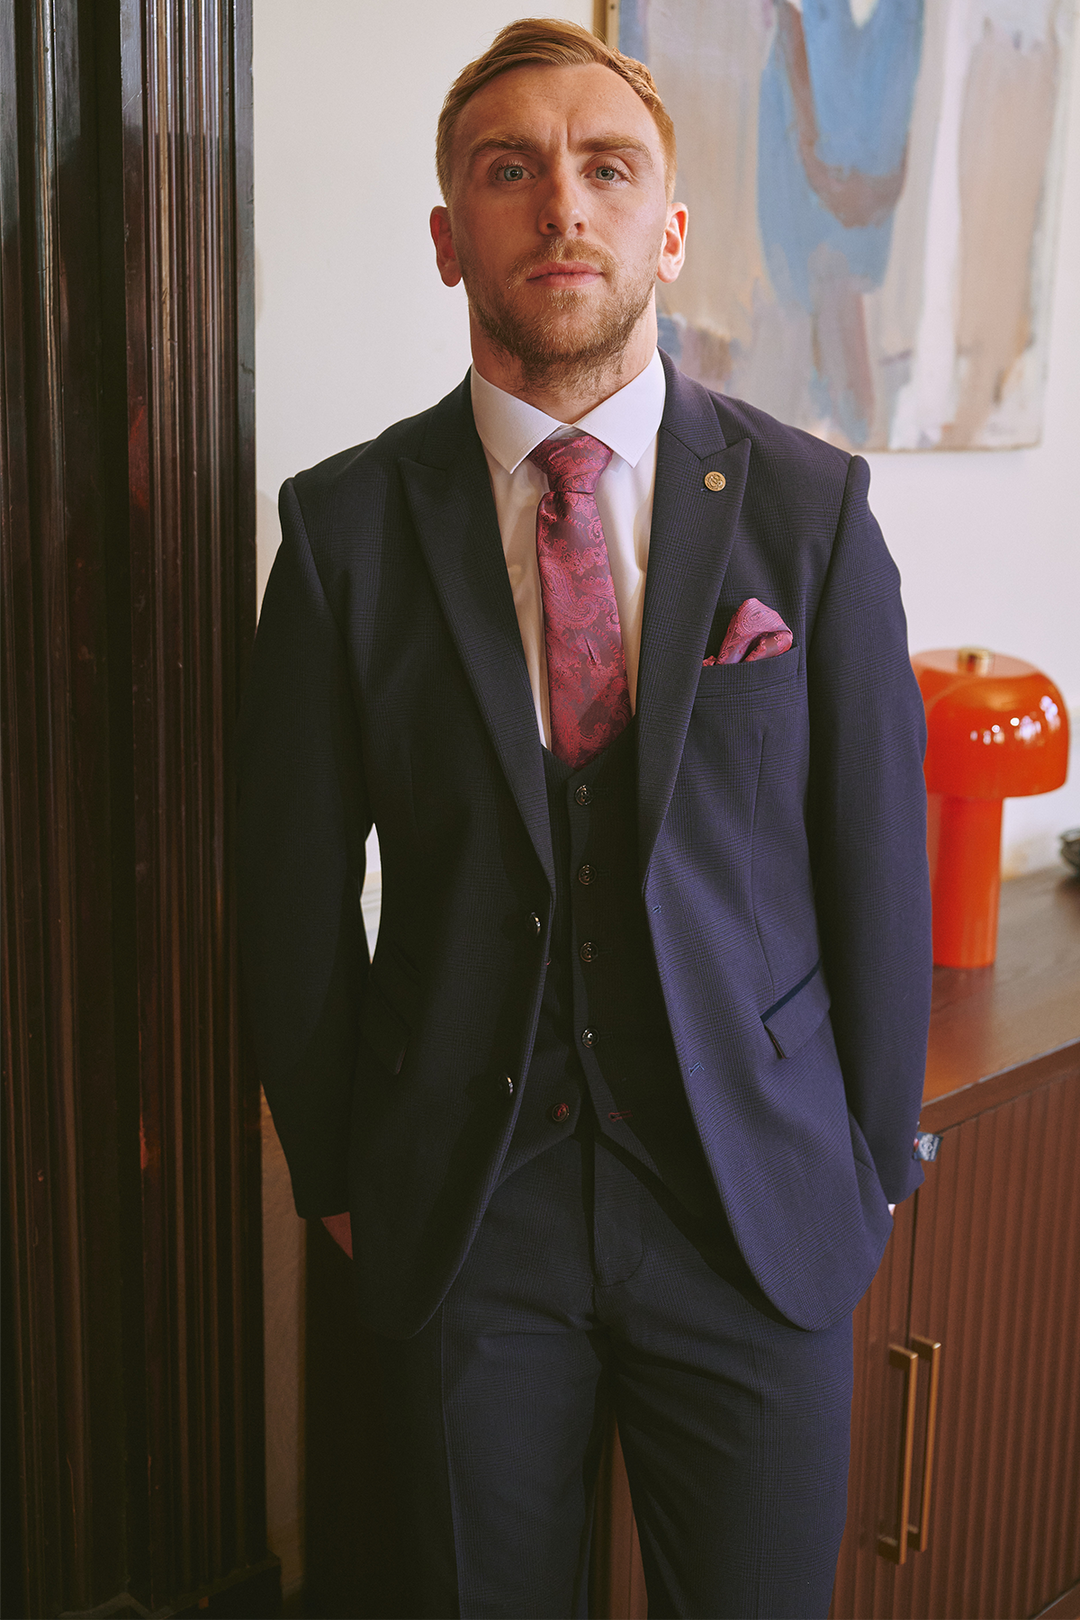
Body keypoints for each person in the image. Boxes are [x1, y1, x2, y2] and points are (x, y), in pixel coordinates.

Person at [237, 18, 932, 1619]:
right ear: (447, 235)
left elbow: (874, 865)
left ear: (668, 230)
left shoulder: (811, 514)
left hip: (754, 1210)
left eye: (607, 168)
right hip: (469, 1215)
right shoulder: (340, 536)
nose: (564, 204)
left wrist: (869, 1158)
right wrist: (336, 1168)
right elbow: (285, 892)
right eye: (511, 170)